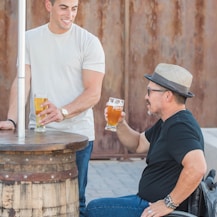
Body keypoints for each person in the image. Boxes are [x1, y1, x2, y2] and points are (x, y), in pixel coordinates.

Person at [0, 0, 105, 216]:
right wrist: (12, 120)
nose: (70, 14)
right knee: (32, 203)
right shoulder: (29, 38)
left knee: (76, 202)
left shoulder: (88, 42)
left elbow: (93, 92)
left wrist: (62, 112)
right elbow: (23, 81)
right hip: (37, 134)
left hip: (77, 136)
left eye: (74, 8)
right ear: (49, 5)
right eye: (64, 7)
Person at [85, 63, 207, 217]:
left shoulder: (180, 126)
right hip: (147, 201)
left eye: (149, 91)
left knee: (94, 210)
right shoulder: (168, 121)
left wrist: (168, 203)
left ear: (167, 95)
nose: (146, 97)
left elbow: (197, 167)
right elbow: (138, 144)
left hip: (159, 210)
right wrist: (120, 123)